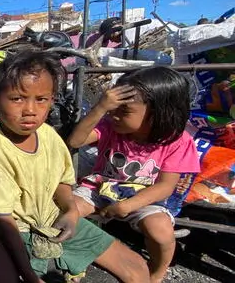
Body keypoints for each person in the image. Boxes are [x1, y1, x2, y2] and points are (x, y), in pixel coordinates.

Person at [0, 50, 149, 283]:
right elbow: (4, 218)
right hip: (7, 226)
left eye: (41, 99)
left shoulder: (47, 134)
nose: (30, 110)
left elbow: (61, 181)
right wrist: (29, 275)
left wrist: (71, 210)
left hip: (50, 213)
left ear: (51, 101)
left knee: (137, 268)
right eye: (17, 98)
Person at [67, 66, 200, 283]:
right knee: (65, 212)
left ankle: (156, 274)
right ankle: (72, 259)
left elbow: (165, 187)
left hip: (145, 197)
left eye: (124, 111)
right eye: (112, 108)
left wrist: (129, 205)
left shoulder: (178, 141)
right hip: (100, 187)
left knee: (162, 234)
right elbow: (75, 141)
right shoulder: (109, 126)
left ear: (157, 113)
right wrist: (100, 108)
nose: (114, 115)